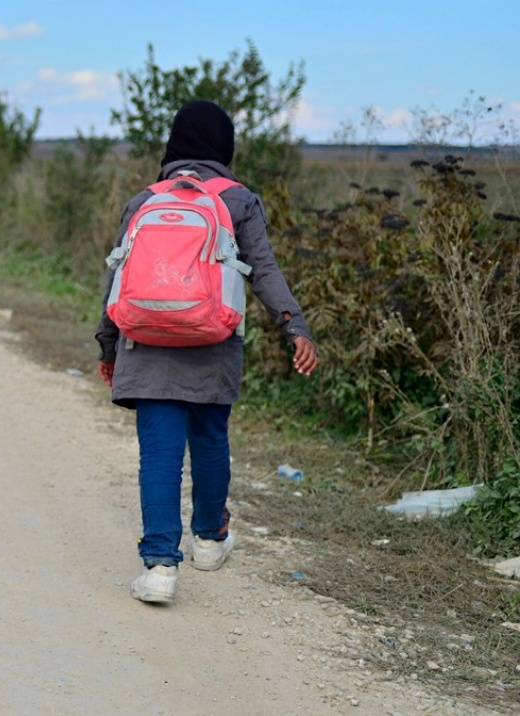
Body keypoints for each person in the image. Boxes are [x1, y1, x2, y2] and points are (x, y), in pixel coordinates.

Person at [94, 100, 320, 605]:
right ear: (224, 146)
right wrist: (295, 328)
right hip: (212, 342)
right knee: (210, 439)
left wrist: (108, 343)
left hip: (144, 341)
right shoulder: (238, 200)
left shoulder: (144, 200)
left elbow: (116, 277)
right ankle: (210, 541)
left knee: (159, 453)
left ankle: (158, 568)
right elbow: (264, 270)